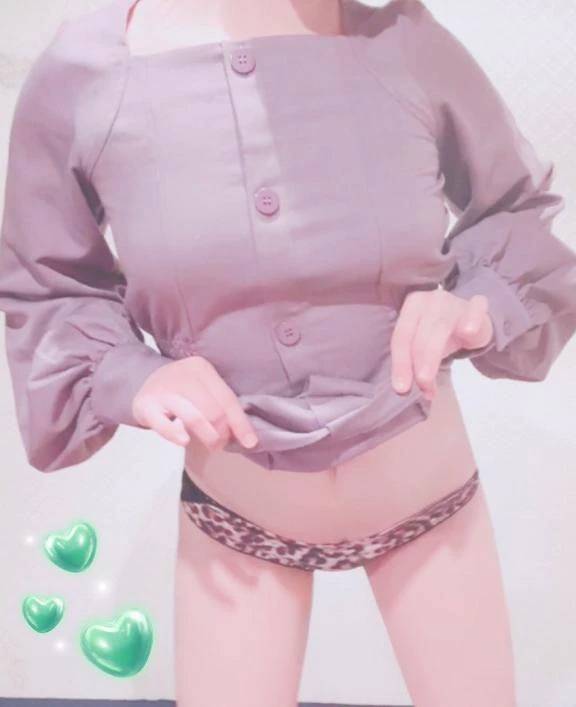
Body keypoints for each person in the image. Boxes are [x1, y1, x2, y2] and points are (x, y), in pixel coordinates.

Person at [1, 0, 575, 705]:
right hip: (235, 528)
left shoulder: (403, 41)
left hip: (431, 507)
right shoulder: (85, 73)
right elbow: (43, 279)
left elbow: (517, 208)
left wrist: (475, 304)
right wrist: (130, 374)